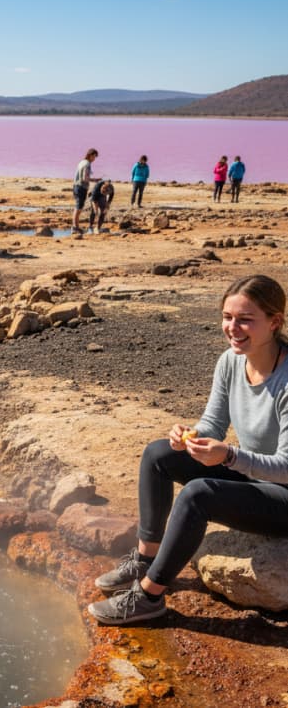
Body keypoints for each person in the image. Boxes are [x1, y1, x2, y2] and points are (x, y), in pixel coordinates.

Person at [88, 274, 288, 626]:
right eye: (227, 317)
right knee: (158, 454)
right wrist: (190, 435)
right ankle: (146, 559)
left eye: (245, 319)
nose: (232, 327)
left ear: (275, 322)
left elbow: (286, 467)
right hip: (253, 476)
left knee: (198, 494)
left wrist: (228, 456)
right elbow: (213, 424)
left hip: (283, 496)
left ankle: (149, 597)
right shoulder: (230, 361)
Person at [72, 149, 99, 234]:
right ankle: (75, 228)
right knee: (78, 208)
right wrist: (94, 179)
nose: (94, 158)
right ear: (90, 155)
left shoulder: (82, 162)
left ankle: (75, 227)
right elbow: (85, 178)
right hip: (81, 187)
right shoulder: (87, 164)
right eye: (94, 156)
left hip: (76, 186)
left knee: (78, 207)